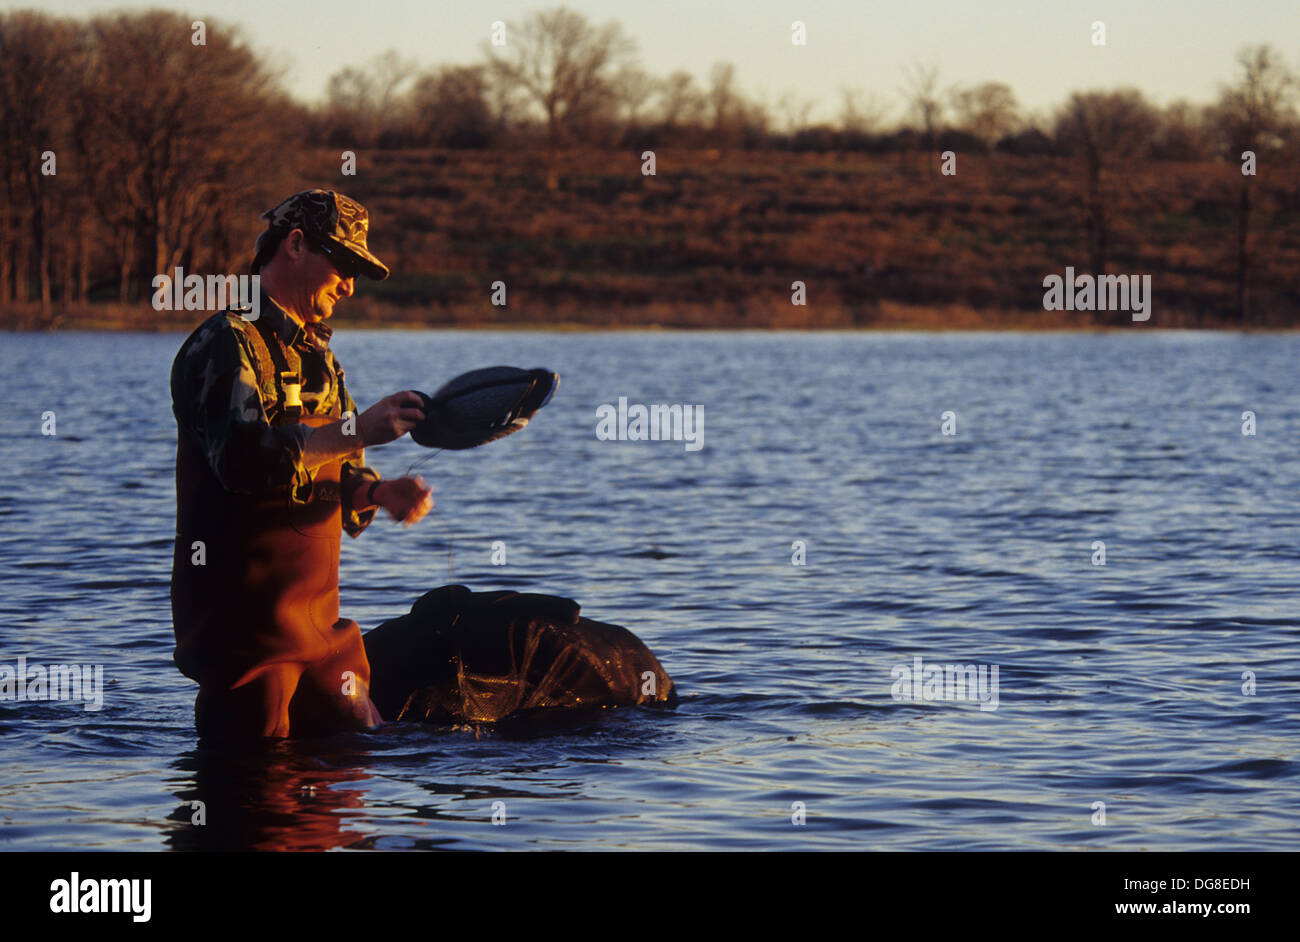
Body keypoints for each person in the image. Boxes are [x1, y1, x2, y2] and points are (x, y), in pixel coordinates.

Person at [169, 189, 432, 741]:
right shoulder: (226, 343)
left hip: (327, 643)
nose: (350, 285)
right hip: (248, 649)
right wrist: (360, 429)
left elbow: (343, 475)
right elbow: (242, 464)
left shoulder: (321, 359)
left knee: (360, 768)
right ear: (294, 245)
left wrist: (379, 495)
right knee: (257, 799)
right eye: (343, 265)